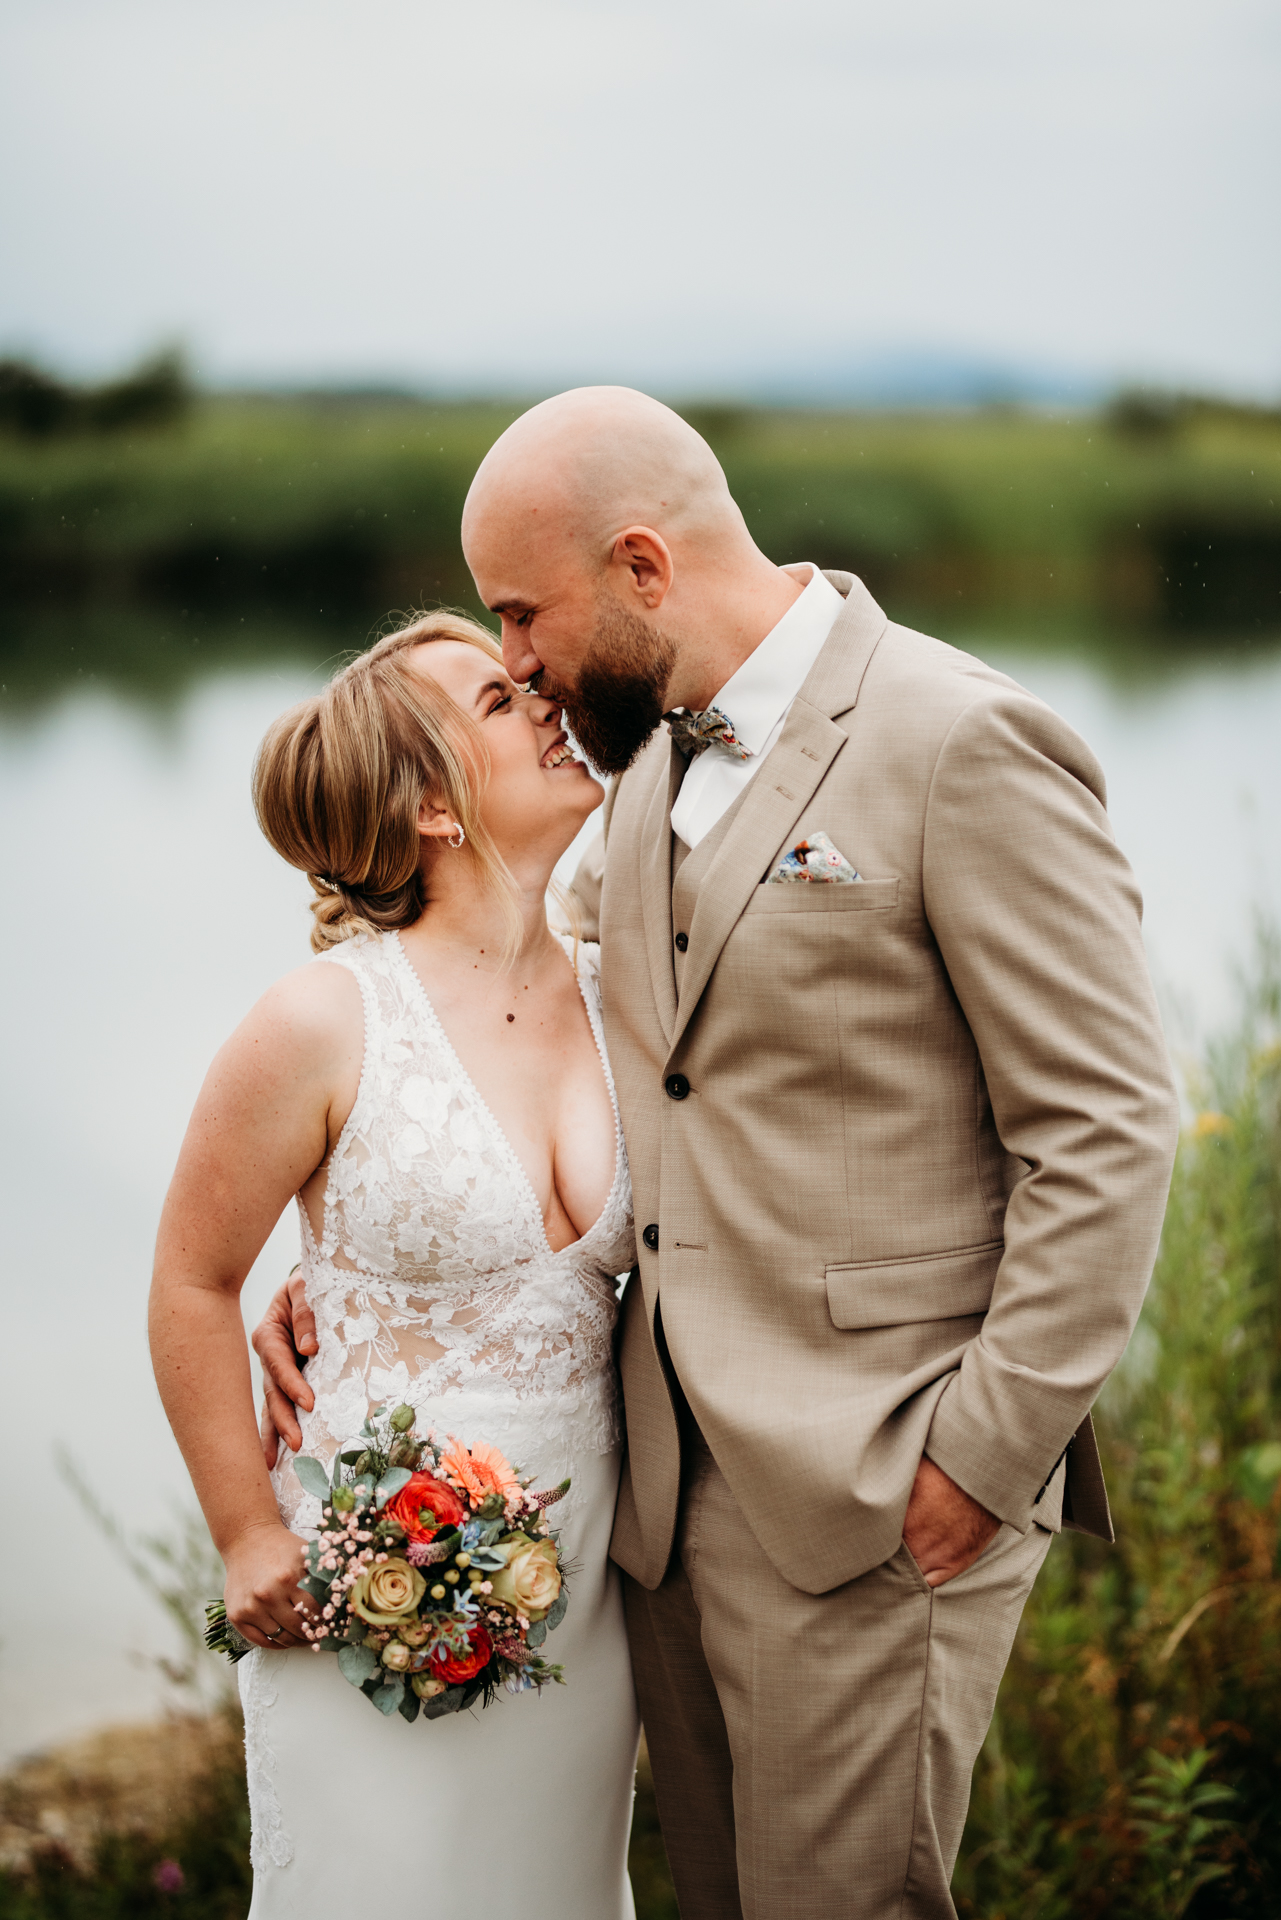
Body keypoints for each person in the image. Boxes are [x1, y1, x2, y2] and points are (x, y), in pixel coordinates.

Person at [256, 390, 1181, 1919]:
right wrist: (347, 1264)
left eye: (519, 615)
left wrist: (981, 1454)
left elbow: (1106, 1129)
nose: (517, 669)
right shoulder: (631, 774)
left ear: (639, 565)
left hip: (883, 1490)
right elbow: (528, 1043)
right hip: (656, 1509)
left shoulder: (960, 742)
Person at [149, 610, 640, 1918]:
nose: (543, 700)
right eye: (496, 700)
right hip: (369, 1579)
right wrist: (246, 1534)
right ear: (428, 804)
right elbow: (194, 1282)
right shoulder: (321, 1019)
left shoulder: (625, 992)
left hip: (584, 1586)